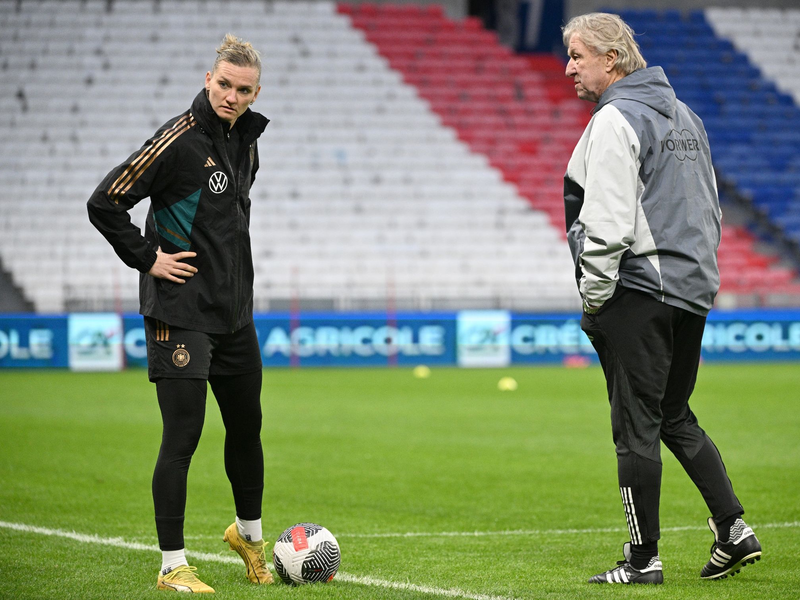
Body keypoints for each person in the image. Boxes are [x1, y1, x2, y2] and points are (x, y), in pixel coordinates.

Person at [562, 13, 762, 585]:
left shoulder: (614, 119)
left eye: (577, 56)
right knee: (674, 415)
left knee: (636, 428)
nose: (569, 68)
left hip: (638, 291)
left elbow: (606, 221)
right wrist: (699, 278)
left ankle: (642, 559)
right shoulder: (687, 116)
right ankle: (733, 530)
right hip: (690, 288)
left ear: (611, 59)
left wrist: (595, 297)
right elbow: (710, 209)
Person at [88, 34, 272, 593]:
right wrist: (148, 259)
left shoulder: (246, 142)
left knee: (247, 429)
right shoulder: (178, 139)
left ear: (256, 93)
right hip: (180, 311)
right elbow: (105, 201)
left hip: (234, 314)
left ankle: (249, 538)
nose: (232, 97)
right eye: (224, 84)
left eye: (244, 90)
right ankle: (172, 565)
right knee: (183, 437)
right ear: (208, 79)